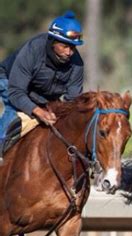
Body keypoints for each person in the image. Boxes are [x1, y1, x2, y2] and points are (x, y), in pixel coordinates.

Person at [0, 10, 84, 165]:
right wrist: (38, 111)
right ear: (52, 40)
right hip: (10, 81)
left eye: (73, 47)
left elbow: (72, 101)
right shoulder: (33, 50)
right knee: (16, 114)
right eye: (65, 46)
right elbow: (16, 92)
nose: (69, 52)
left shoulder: (77, 63)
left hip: (41, 92)